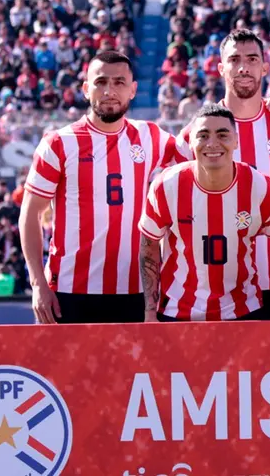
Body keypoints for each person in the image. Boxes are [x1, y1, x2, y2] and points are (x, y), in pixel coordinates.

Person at [21, 51, 183, 324]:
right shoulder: (59, 143)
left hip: (135, 291)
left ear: (132, 90)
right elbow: (30, 213)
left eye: (119, 82)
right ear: (86, 89)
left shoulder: (152, 137)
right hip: (68, 291)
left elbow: (205, 146)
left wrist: (262, 108)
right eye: (101, 82)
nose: (109, 91)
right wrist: (38, 284)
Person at [177, 29, 270, 320]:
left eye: (252, 59)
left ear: (265, 67)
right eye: (234, 59)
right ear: (221, 68)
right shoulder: (193, 135)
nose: (243, 68)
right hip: (214, 286)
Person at [139, 105, 270, 322]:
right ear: (191, 142)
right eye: (203, 135)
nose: (212, 143)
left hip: (243, 311)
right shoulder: (167, 185)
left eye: (222, 135)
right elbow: (149, 244)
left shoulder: (259, 186)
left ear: (236, 141)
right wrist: (150, 312)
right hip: (178, 312)